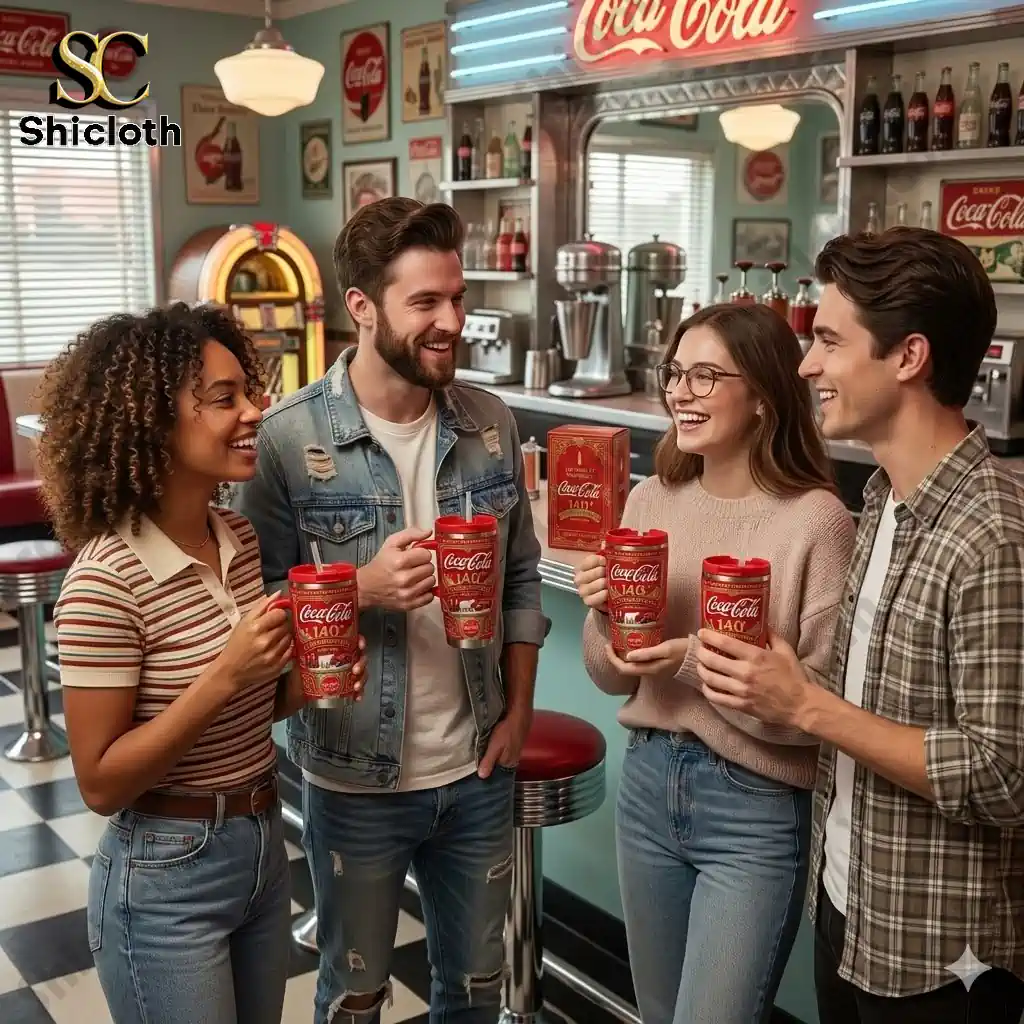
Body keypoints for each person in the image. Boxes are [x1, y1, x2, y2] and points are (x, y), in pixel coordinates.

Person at [231, 196, 549, 1024]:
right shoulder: (284, 439)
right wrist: (359, 587)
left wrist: (519, 709)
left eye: (458, 298)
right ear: (363, 306)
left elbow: (520, 576)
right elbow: (247, 609)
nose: (453, 322)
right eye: (426, 302)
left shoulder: (489, 423)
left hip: (478, 766)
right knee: (354, 999)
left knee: (475, 995)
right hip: (353, 775)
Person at [697, 227, 1024, 1023]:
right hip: (849, 905)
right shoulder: (881, 503)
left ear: (908, 357)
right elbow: (877, 707)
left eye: (830, 341)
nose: (806, 365)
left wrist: (806, 706)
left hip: (939, 952)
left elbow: (1003, 774)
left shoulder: (994, 535)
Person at [37, 303, 366, 1024]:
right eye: (224, 399)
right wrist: (226, 674)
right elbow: (100, 781)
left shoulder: (237, 539)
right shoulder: (104, 580)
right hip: (165, 875)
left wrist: (307, 682)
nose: (255, 410)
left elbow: (251, 708)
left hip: (261, 848)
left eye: (248, 390)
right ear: (153, 422)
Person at [574, 303, 856, 1024]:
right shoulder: (649, 499)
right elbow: (610, 677)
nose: (680, 392)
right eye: (675, 373)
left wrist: (694, 662)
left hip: (755, 804)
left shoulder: (817, 521)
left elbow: (820, 718)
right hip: (646, 780)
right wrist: (604, 614)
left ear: (763, 395)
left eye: (705, 376)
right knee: (658, 1014)